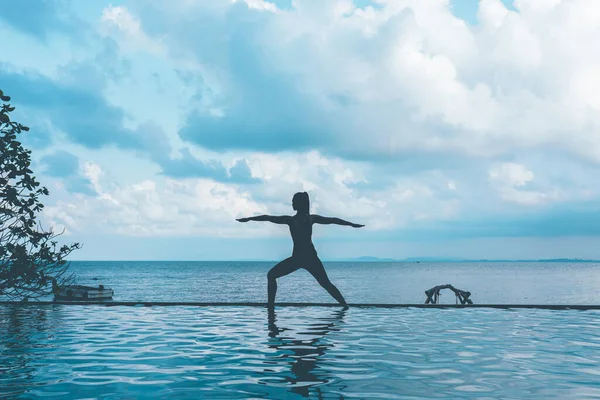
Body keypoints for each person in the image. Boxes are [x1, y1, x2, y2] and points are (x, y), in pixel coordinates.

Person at [236, 192, 364, 308]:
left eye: (294, 201)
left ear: (300, 203)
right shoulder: (290, 220)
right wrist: (249, 219)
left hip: (310, 258)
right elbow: (268, 217)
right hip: (297, 259)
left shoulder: (310, 219)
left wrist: (351, 224)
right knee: (271, 275)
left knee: (326, 283)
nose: (292, 203)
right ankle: (270, 306)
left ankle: (345, 305)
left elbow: (332, 220)